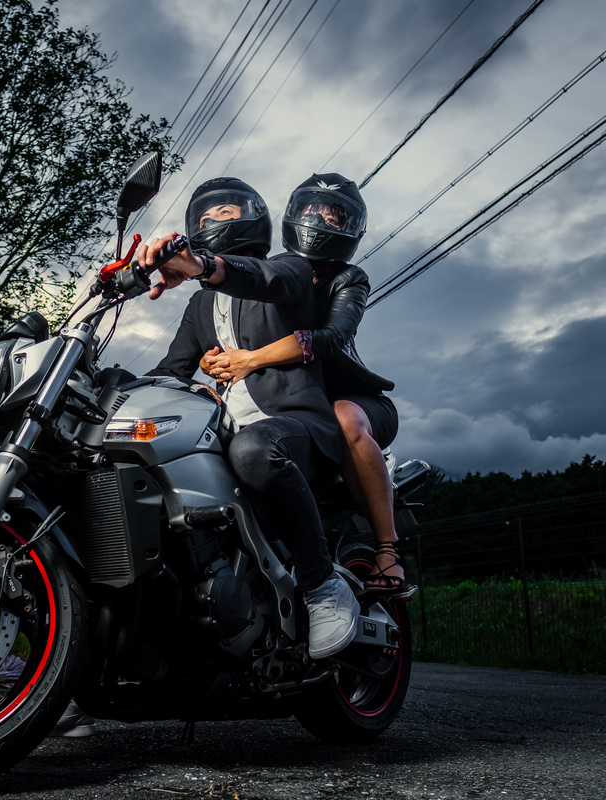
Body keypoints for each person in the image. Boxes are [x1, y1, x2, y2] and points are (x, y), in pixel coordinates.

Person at [140, 177, 360, 660]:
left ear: (255, 215)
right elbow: (170, 371)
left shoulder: (289, 270)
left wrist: (204, 264)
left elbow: (262, 279)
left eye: (229, 211)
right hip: (230, 432)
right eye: (209, 215)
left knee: (255, 448)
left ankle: (322, 585)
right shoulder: (199, 305)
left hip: (297, 428)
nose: (219, 220)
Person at [200, 174, 406, 593]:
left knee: (345, 417)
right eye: (312, 211)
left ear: (350, 229)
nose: (320, 220)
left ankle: (388, 550)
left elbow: (332, 339)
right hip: (290, 407)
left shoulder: (349, 278)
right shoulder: (278, 269)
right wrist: (213, 356)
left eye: (333, 215)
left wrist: (251, 360)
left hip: (351, 400)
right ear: (294, 215)